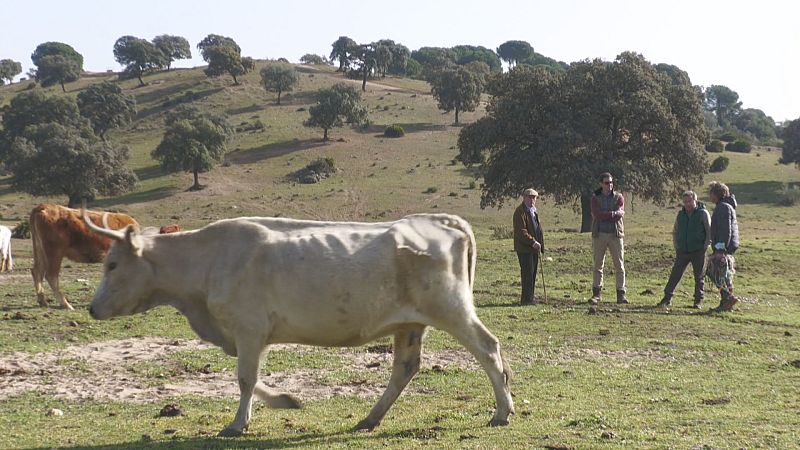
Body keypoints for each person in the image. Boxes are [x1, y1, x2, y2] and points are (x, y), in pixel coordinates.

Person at [657, 191, 711, 308]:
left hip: (698, 250)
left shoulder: (703, 213)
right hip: (682, 251)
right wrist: (677, 246)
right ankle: (667, 298)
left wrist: (705, 246)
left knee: (699, 276)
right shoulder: (680, 215)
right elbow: (675, 231)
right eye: (685, 202)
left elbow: (709, 230)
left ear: (695, 200)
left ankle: (698, 301)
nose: (687, 204)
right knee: (675, 275)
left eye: (689, 201)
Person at [589, 172, 628, 304]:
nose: (609, 185)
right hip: (599, 234)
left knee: (619, 265)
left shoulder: (619, 197)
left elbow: (619, 215)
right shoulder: (595, 198)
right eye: (607, 183)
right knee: (598, 265)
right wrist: (612, 213)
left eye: (611, 182)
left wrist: (608, 214)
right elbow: (597, 214)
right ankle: (597, 294)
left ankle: (621, 294)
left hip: (615, 235)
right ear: (601, 184)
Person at [707, 181, 740, 312]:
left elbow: (725, 230)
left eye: (710, 193)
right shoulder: (726, 206)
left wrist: (720, 249)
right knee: (724, 273)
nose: (709, 196)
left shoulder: (723, 207)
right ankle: (726, 301)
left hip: (723, 247)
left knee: (713, 270)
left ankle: (727, 297)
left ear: (716, 194)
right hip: (727, 246)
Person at [513, 188, 544, 305]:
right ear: (524, 198)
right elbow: (521, 232)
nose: (532, 200)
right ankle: (526, 300)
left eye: (534, 198)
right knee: (527, 274)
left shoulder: (533, 212)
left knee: (533, 273)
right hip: (524, 249)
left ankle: (530, 298)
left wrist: (539, 244)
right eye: (529, 197)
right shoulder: (519, 212)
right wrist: (533, 242)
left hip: (534, 249)